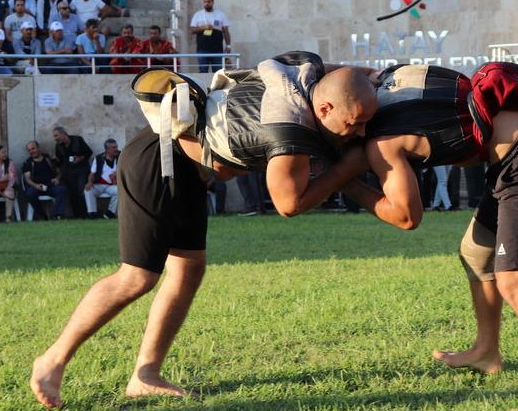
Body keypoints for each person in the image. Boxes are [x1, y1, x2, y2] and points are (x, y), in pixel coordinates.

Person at [30, 53, 379, 408]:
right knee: (136, 277)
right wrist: (348, 169)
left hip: (188, 166)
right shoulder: (291, 125)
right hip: (158, 156)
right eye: (355, 122)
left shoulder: (305, 74)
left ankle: (145, 375)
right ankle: (52, 360)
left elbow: (341, 76)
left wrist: (370, 75)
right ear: (324, 109)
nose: (361, 131)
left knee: (188, 268)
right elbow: (289, 204)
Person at [343, 62, 518, 409]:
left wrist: (345, 182)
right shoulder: (392, 80)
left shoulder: (380, 141)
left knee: (515, 283)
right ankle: (486, 352)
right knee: (476, 252)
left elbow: (407, 217)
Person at [52, 125, 93, 218]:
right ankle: (76, 215)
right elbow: (60, 162)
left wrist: (79, 158)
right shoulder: (58, 146)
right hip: (68, 172)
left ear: (63, 134)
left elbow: (89, 152)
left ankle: (85, 214)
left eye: (56, 135)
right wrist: (55, 160)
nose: (55, 138)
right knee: (72, 193)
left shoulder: (77, 140)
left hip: (81, 171)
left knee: (81, 191)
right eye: (54, 136)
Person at [22, 140, 67, 220]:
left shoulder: (48, 158)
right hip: (36, 187)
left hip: (50, 186)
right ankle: (42, 216)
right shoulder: (28, 162)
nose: (31, 151)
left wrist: (57, 178)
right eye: (29, 150)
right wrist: (36, 185)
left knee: (62, 189)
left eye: (33, 148)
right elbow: (27, 179)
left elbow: (60, 172)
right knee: (30, 193)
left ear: (38, 148)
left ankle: (57, 215)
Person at [189, 0, 230, 73]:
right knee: (203, 71)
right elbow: (192, 30)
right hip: (202, 49)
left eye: (208, 2)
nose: (206, 3)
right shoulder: (198, 15)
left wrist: (228, 45)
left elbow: (226, 32)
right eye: (205, 2)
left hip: (217, 49)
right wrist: (203, 27)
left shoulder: (221, 14)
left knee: (218, 73)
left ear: (213, 2)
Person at [84, 138, 119, 219]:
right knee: (88, 190)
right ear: (107, 149)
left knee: (119, 191)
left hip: (112, 185)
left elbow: (126, 169)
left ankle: (109, 213)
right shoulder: (98, 158)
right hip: (99, 184)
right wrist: (89, 182)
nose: (116, 149)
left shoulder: (120, 156)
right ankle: (92, 213)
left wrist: (117, 173)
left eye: (116, 147)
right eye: (113, 148)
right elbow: (92, 173)